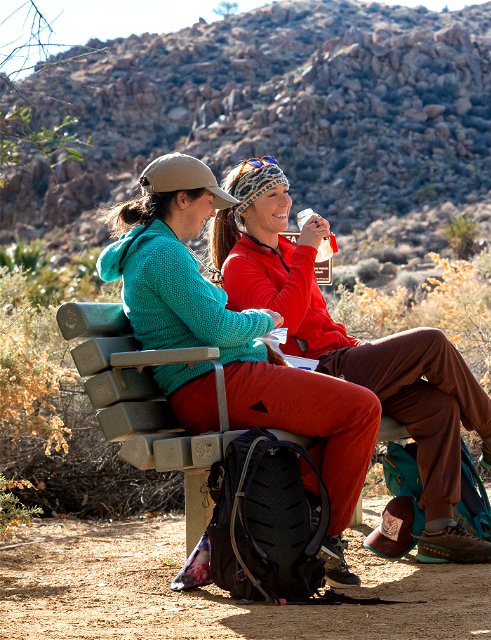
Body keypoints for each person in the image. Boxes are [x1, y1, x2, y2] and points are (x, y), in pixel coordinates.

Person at [209, 155, 491, 565]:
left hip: (344, 354)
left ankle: (438, 528)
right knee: (430, 342)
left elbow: (317, 283)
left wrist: (317, 245)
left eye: (287, 191)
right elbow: (283, 322)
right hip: (318, 373)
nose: (285, 202)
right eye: (272, 195)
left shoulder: (286, 251)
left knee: (438, 406)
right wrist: (305, 251)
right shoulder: (239, 264)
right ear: (244, 209)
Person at [96, 152, 381, 587]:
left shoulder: (157, 250)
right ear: (183, 199)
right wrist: (267, 320)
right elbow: (218, 327)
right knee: (360, 409)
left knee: (343, 408)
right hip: (215, 386)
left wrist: (255, 337)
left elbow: (215, 326)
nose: (214, 212)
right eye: (209, 200)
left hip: (219, 381)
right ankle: (324, 536)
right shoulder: (163, 255)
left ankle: (296, 523)